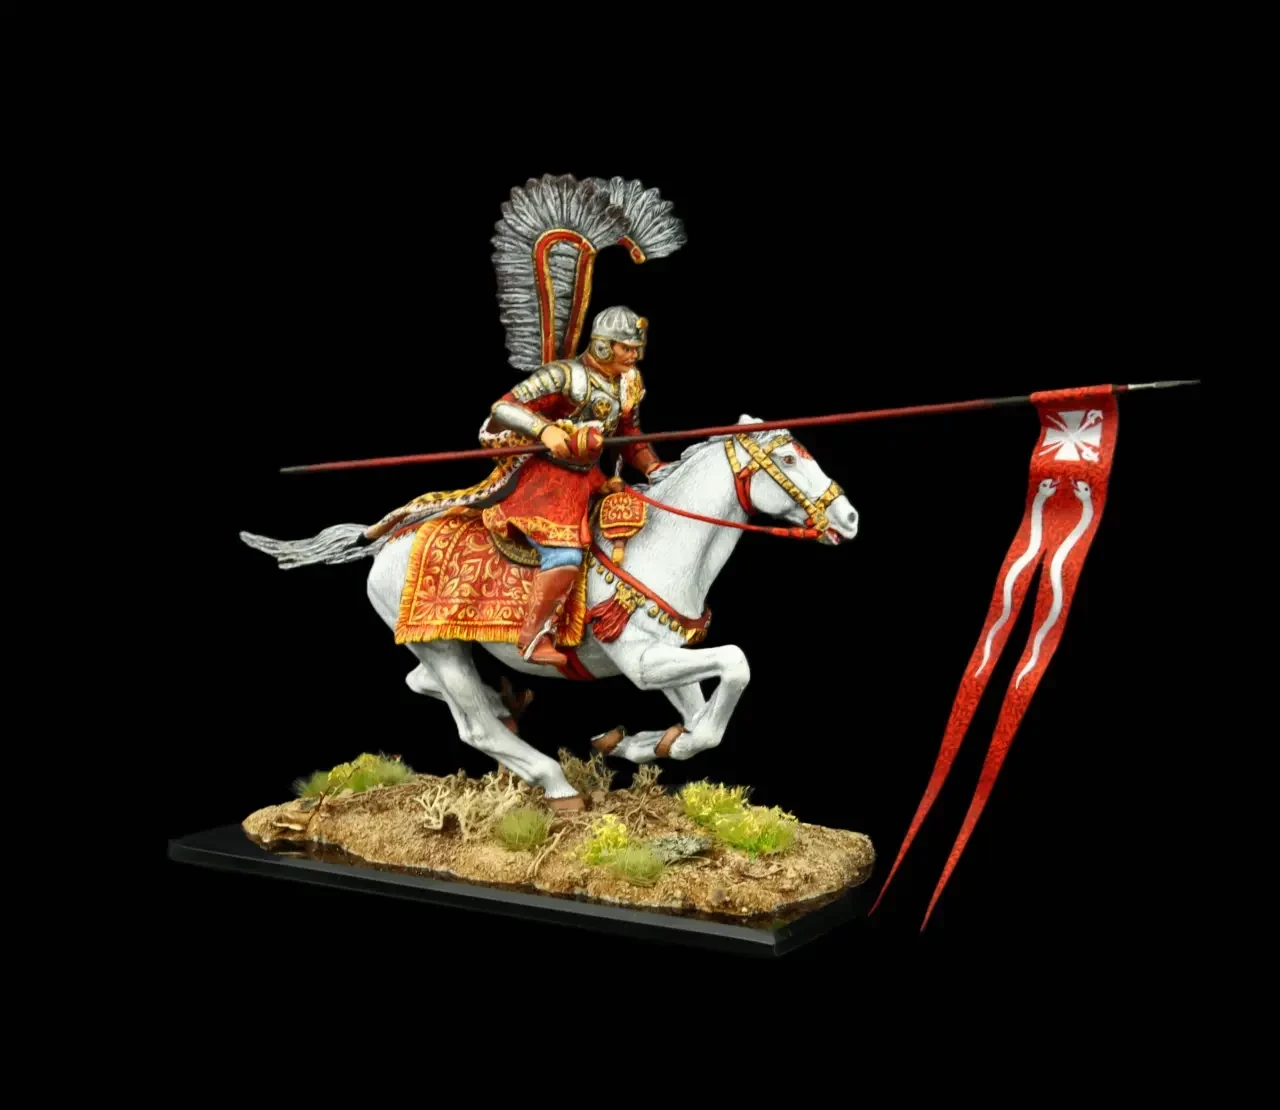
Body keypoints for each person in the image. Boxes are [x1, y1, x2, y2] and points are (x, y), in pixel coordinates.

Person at [480, 305, 665, 665]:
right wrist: (544, 429)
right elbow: (503, 408)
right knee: (564, 555)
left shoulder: (628, 382)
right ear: (603, 345)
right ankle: (532, 639)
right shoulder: (564, 375)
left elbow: (629, 436)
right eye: (626, 348)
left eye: (636, 348)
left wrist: (654, 468)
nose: (634, 355)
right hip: (546, 483)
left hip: (591, 481)